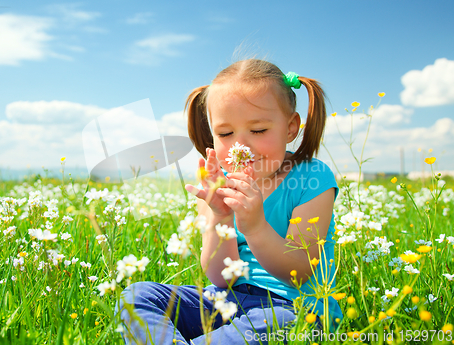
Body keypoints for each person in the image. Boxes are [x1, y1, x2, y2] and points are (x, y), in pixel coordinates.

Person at [117, 59, 342, 344]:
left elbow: (297, 271)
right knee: (138, 296)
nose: (241, 146)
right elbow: (220, 277)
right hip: (224, 299)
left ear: (290, 127)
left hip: (293, 308)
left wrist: (256, 226)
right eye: (225, 134)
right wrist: (220, 216)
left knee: (278, 323)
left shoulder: (312, 178)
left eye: (258, 130)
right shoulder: (216, 181)